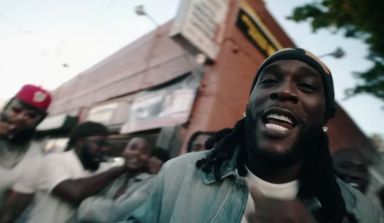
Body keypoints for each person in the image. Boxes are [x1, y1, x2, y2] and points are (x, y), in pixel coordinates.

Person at [124, 48, 383, 223]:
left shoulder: (361, 211)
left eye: (305, 86)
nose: (284, 91)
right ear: (249, 106)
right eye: (269, 81)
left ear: (326, 117)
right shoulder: (179, 174)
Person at [27, 121, 125, 223]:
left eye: (106, 145)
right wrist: (118, 170)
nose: (104, 149)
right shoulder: (54, 160)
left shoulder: (105, 168)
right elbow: (75, 193)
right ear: (80, 141)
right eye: (99, 143)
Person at [0, 84, 52, 222]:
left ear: (38, 122)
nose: (20, 118)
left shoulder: (34, 159)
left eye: (31, 116)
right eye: (16, 110)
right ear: (6, 107)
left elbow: (8, 215)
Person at [76, 137, 154, 222]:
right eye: (133, 148)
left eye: (144, 152)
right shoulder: (113, 178)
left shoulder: (150, 183)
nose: (137, 153)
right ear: (123, 152)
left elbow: (115, 214)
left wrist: (85, 204)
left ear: (148, 159)